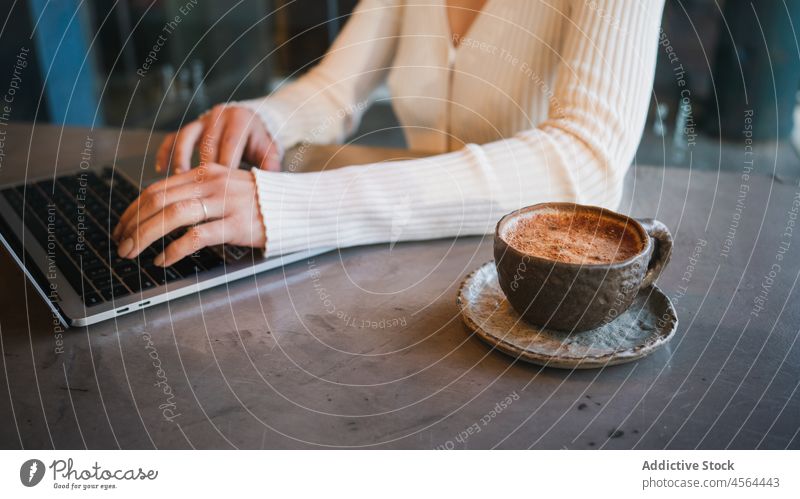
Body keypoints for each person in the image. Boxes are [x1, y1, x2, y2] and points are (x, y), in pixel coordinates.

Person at [113, 0, 665, 267]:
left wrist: (297, 206)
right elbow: (337, 88)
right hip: (415, 256)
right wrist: (267, 118)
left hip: (551, 277)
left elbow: (586, 160)